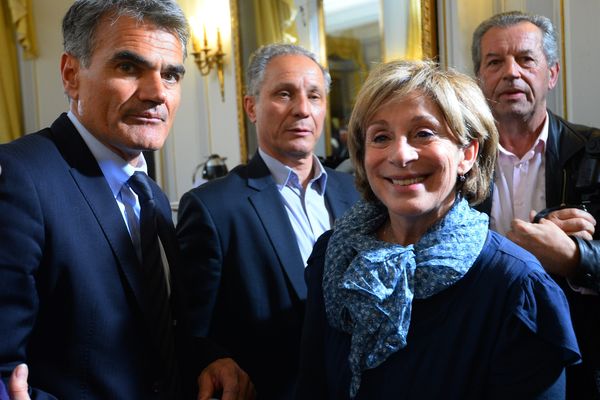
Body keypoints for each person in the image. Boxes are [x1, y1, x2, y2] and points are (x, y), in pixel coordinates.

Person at [0, 1, 253, 398]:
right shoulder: (18, 178)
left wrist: (205, 358)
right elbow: (5, 370)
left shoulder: (148, 194)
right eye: (128, 67)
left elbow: (154, 332)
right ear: (71, 75)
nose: (157, 94)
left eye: (170, 75)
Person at [295, 60, 581, 399]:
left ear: (468, 153)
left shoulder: (515, 285)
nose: (400, 155)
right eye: (381, 136)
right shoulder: (334, 255)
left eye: (423, 133)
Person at [176, 43, 360, 399]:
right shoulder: (214, 207)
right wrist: (216, 360)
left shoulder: (358, 192)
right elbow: (192, 331)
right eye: (284, 94)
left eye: (314, 96)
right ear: (251, 107)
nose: (302, 110)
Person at [472, 11, 600, 398]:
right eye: (495, 61)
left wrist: (577, 259)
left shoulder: (595, 151)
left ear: (552, 74)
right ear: (480, 78)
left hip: (579, 354)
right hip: (480, 351)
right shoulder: (457, 160)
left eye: (526, 59)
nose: (511, 72)